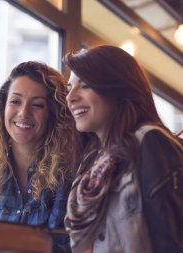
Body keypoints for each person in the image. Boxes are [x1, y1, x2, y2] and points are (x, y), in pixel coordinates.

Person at [63, 45, 183, 253]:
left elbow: (171, 242)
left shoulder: (151, 142)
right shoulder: (93, 164)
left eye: (84, 86)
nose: (70, 97)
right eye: (69, 88)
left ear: (117, 88)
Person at [0, 61, 78, 252]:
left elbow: (63, 248)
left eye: (37, 105)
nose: (23, 113)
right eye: (15, 101)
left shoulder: (69, 175)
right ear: (3, 107)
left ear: (53, 115)